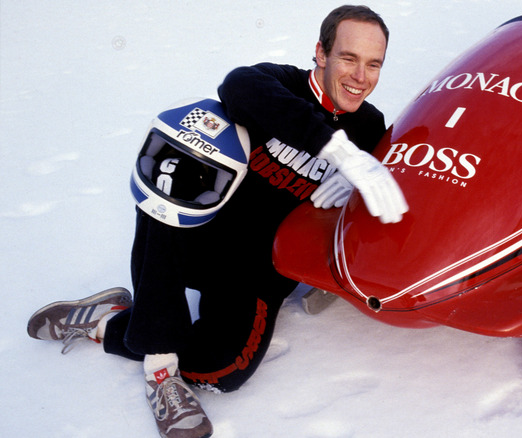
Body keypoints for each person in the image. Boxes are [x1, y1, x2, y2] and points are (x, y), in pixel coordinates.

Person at [26, 6, 406, 438]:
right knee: (171, 179)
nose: (361, 76)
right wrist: (336, 151)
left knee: (222, 371)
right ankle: (160, 371)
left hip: (257, 269)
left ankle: (107, 322)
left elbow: (392, 183)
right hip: (201, 239)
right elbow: (237, 85)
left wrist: (353, 189)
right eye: (348, 58)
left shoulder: (371, 127)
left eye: (374, 64)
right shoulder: (277, 82)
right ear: (320, 53)